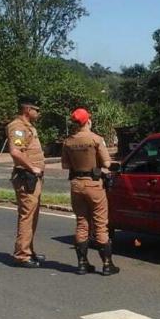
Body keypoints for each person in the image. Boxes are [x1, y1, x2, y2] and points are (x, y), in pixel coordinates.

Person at [61, 107, 119, 275]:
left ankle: (82, 263)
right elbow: (107, 164)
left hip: (76, 184)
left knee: (81, 223)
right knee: (100, 224)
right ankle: (107, 264)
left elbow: (65, 165)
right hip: (93, 184)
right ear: (88, 121)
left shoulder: (68, 141)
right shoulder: (96, 139)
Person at [7, 98, 46, 268]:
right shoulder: (18, 127)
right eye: (36, 109)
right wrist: (32, 168)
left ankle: (28, 250)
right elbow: (15, 152)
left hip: (34, 178)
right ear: (28, 109)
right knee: (27, 216)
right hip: (27, 177)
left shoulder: (28, 126)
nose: (38, 113)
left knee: (33, 215)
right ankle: (22, 255)